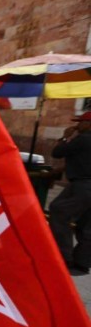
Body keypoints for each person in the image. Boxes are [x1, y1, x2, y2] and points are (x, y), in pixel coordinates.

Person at [49, 111, 91, 276]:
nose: (77, 125)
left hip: (83, 185)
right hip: (84, 184)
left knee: (58, 212)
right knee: (87, 225)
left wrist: (66, 137)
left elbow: (57, 152)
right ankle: (82, 263)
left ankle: (63, 256)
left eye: (80, 122)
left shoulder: (84, 139)